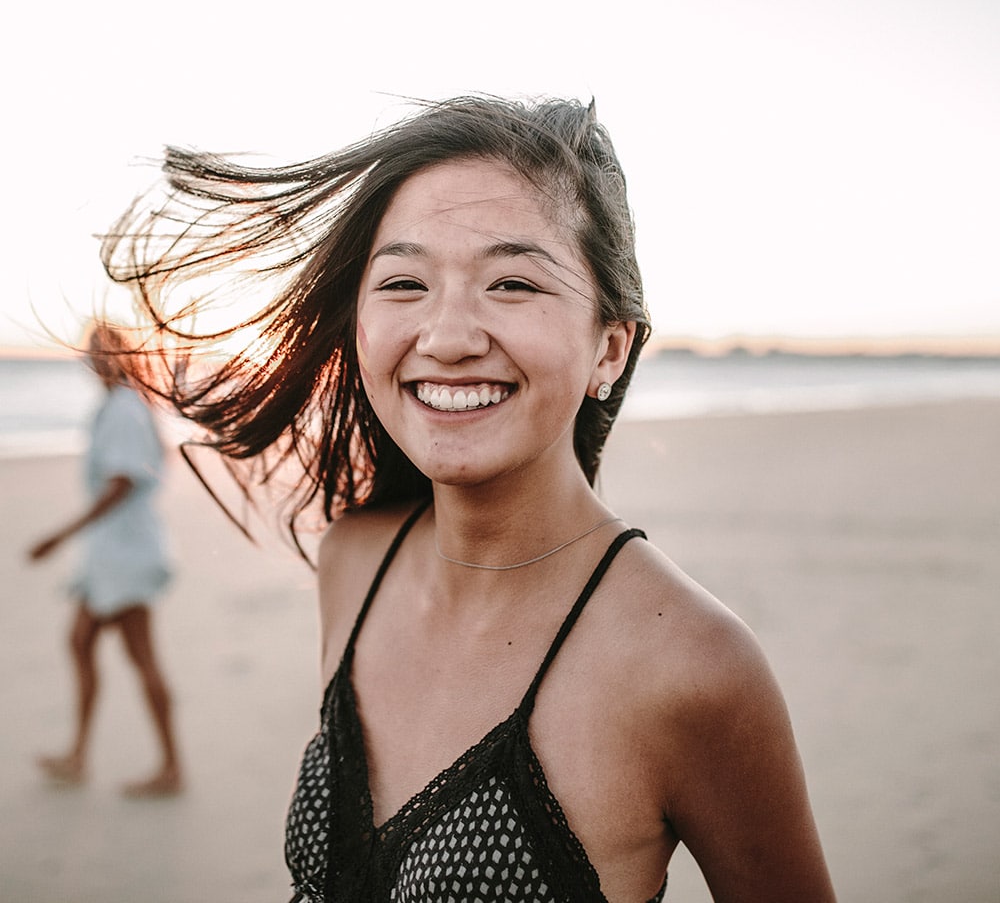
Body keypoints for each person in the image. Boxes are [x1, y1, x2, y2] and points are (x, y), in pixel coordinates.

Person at [99, 96, 835, 900]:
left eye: (512, 283)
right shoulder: (355, 559)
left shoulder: (687, 664)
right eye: (405, 282)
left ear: (609, 349)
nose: (447, 337)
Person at [28, 323, 183, 797]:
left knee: (139, 655)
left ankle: (169, 768)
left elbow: (121, 482)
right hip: (112, 554)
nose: (93, 361)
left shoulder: (124, 408)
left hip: (125, 555)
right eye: (90, 353)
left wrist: (59, 534)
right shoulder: (121, 405)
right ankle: (78, 755)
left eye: (101, 353)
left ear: (119, 358)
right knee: (81, 641)